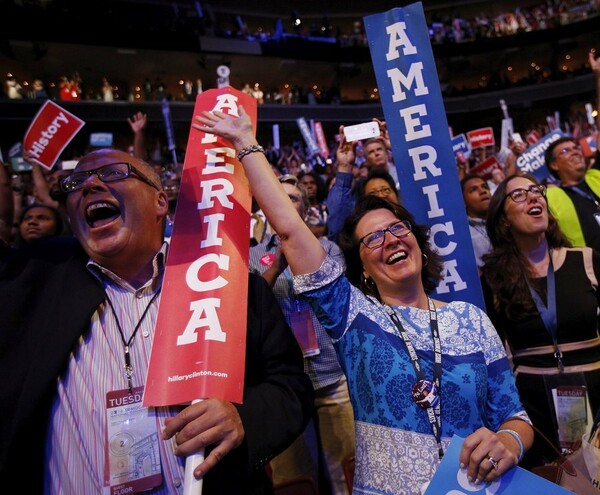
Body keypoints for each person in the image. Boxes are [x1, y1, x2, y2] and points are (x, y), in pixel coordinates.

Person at [194, 106, 534, 495]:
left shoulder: (470, 318)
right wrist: (246, 143)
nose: (390, 239)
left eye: (397, 228)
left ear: (419, 245)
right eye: (373, 238)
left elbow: (514, 416)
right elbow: (289, 229)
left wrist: (509, 441)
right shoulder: (354, 316)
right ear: (364, 269)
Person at [0, 148, 314, 494]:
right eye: (76, 182)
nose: (89, 185)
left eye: (113, 173)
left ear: (160, 201)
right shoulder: (32, 280)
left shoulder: (231, 284)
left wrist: (245, 417)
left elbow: (290, 385)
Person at [480, 172, 600, 468]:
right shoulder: (494, 280)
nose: (534, 196)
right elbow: (493, 355)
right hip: (533, 410)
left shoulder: (586, 260)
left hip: (597, 396)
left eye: (536, 190)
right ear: (504, 219)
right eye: (519, 195)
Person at [249, 175, 355, 494]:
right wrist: (275, 267)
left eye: (293, 198)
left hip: (332, 378)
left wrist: (295, 247)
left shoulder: (329, 249)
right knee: (293, 481)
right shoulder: (253, 257)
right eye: (277, 196)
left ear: (306, 212)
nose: (285, 202)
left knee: (348, 471)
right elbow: (249, 310)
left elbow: (332, 293)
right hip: (284, 385)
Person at [544, 136, 600, 252]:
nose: (575, 152)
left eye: (576, 148)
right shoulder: (550, 198)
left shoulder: (596, 175)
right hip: (591, 266)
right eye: (565, 151)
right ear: (554, 165)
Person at [460, 174, 492, 269]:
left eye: (485, 187)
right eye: (473, 189)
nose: (482, 191)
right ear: (463, 201)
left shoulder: (507, 220)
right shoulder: (464, 234)